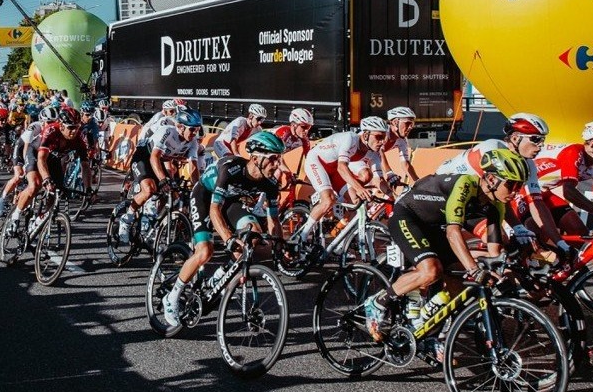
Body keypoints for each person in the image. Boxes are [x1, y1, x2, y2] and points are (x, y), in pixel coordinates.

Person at [363, 149, 530, 342]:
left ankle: (425, 327)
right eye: (512, 185)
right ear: (492, 179)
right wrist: (474, 270)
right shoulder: (465, 185)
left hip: (432, 226)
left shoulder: (497, 204)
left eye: (519, 186)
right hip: (407, 216)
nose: (516, 191)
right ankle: (377, 302)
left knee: (456, 285)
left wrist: (506, 273)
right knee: (431, 271)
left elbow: (495, 252)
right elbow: (453, 233)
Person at [162, 131, 287, 326]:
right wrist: (228, 238)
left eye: (278, 159)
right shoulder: (231, 169)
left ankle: (219, 277)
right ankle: (173, 296)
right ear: (255, 158)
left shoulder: (270, 183)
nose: (277, 165)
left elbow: (274, 220)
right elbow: (214, 210)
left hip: (232, 201)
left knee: (251, 238)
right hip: (205, 196)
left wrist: (279, 245)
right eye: (273, 159)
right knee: (205, 251)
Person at [436, 112, 568, 258]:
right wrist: (518, 227)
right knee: (498, 245)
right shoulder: (492, 149)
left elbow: (536, 204)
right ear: (516, 138)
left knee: (506, 246)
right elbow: (495, 195)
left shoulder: (528, 164)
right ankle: (453, 261)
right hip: (447, 197)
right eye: (535, 139)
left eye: (542, 140)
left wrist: (560, 242)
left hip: (475, 202)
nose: (541, 145)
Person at [296, 116, 390, 246]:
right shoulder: (350, 139)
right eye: (379, 137)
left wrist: (393, 197)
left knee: (356, 202)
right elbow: (342, 167)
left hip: (334, 169)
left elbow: (378, 179)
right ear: (366, 134)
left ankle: (340, 244)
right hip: (317, 161)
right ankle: (302, 237)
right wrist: (359, 188)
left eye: (384, 137)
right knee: (328, 199)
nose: (382, 142)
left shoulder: (374, 152)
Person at [118, 109, 203, 245]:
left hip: (160, 161)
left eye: (197, 130)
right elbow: (154, 156)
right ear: (181, 127)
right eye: (192, 130)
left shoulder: (192, 142)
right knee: (149, 189)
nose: (195, 134)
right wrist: (163, 180)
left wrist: (198, 187)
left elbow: (193, 166)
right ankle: (126, 218)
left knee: (172, 195)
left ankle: (152, 222)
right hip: (143, 157)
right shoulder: (168, 131)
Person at [0, 107, 56, 219]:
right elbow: (26, 148)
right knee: (18, 175)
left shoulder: (53, 132)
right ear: (42, 121)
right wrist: (24, 165)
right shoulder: (35, 126)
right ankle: (2, 199)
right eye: (48, 122)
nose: (50, 125)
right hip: (22, 148)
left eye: (53, 122)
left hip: (37, 153)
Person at [381, 106, 420, 185]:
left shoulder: (402, 140)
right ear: (395, 122)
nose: (410, 127)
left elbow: (405, 164)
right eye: (407, 123)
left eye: (412, 124)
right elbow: (379, 153)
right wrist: (389, 173)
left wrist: (418, 182)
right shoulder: (382, 132)